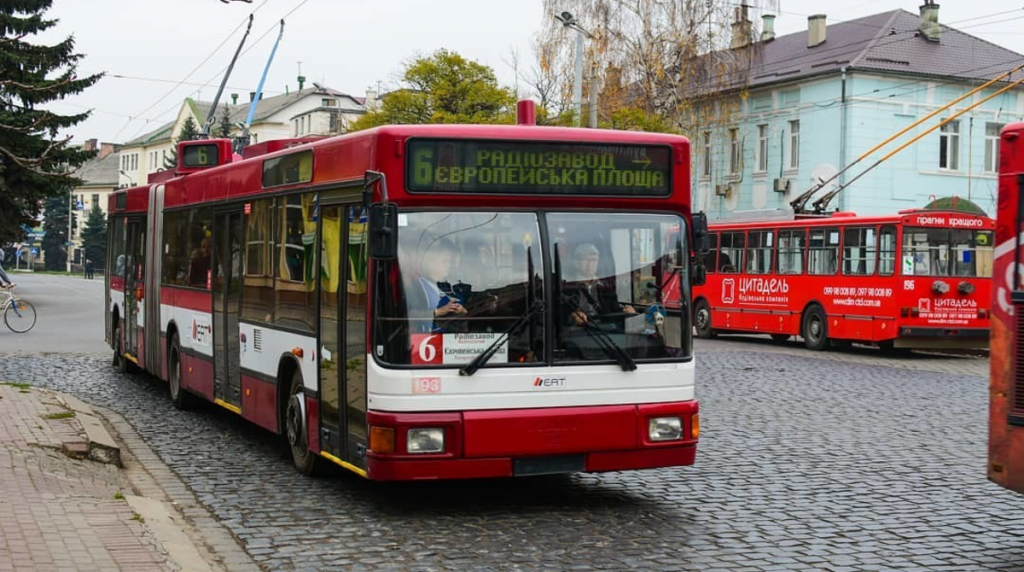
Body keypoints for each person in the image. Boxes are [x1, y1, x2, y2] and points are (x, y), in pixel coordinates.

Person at [565, 243, 634, 326]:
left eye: (593, 260)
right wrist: (572, 315)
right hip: (578, 331)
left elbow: (613, 309)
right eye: (585, 260)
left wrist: (625, 311)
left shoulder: (605, 286)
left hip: (603, 331)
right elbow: (559, 313)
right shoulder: (567, 286)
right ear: (576, 263)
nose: (590, 264)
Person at [408, 238, 466, 332]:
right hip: (425, 340)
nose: (448, 266)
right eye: (444, 261)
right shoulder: (417, 287)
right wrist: (438, 312)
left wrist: (462, 311)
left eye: (449, 262)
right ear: (430, 263)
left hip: (449, 341)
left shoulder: (447, 286)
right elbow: (408, 314)